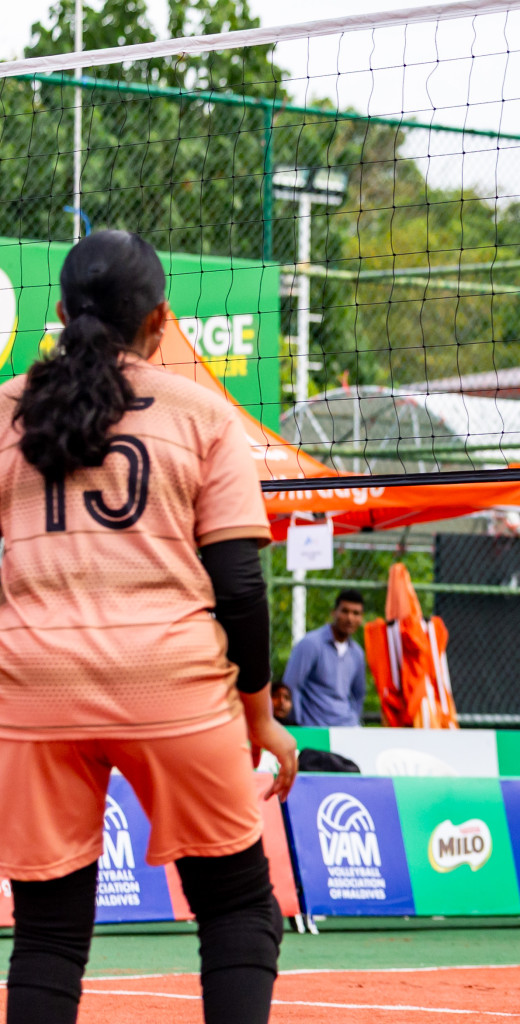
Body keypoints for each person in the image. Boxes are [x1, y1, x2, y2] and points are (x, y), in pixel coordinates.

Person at [0, 230, 297, 1024]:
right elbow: (238, 585)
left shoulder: (7, 410)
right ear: (161, 320)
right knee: (239, 909)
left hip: (33, 694)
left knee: (47, 937)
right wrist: (260, 718)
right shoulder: (204, 415)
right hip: (171, 685)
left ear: (60, 314)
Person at [284, 589, 367, 727]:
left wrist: (354, 719)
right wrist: (298, 723)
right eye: (345, 611)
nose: (350, 618)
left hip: (347, 727)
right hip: (315, 727)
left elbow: (359, 694)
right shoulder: (311, 643)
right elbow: (291, 685)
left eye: (356, 613)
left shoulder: (357, 653)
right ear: (334, 613)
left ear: (361, 618)